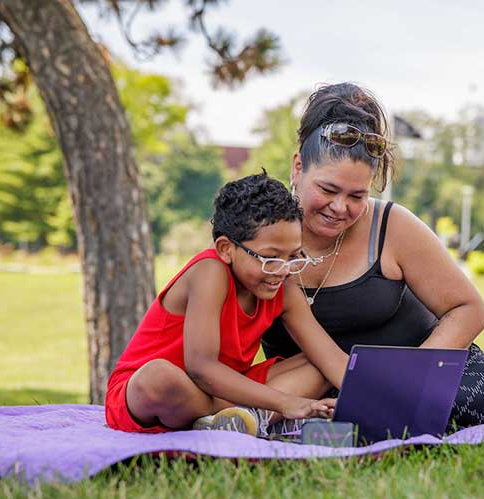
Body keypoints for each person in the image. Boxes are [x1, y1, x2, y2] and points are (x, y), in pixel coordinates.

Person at [261, 83, 484, 428]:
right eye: (327, 189)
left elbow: (469, 310)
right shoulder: (257, 231)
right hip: (305, 386)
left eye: (356, 196)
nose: (340, 207)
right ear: (298, 167)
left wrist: (409, 383)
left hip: (423, 371)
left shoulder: (392, 226)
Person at [105, 171, 349, 436]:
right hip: (163, 392)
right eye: (270, 257)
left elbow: (331, 360)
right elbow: (200, 367)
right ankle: (255, 418)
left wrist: (384, 407)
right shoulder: (210, 271)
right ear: (226, 249)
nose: (283, 269)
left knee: (318, 364)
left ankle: (241, 421)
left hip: (225, 391)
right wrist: (286, 403)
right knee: (159, 377)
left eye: (293, 256)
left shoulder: (284, 288)